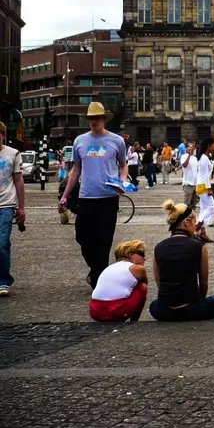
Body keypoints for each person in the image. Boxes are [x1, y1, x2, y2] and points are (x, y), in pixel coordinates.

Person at [59, 102, 128, 289]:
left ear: (104, 119)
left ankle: (99, 283)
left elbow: (123, 166)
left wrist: (122, 183)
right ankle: (97, 269)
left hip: (108, 198)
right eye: (91, 118)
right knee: (82, 237)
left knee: (104, 242)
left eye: (97, 118)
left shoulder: (117, 141)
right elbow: (76, 170)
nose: (94, 121)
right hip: (86, 197)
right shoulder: (80, 141)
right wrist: (65, 195)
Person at [149, 200, 214, 321]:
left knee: (153, 305)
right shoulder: (199, 246)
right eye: (194, 221)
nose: (195, 224)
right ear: (186, 222)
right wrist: (201, 300)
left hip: (164, 310)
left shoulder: (158, 247)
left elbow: (159, 282)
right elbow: (204, 282)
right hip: (190, 308)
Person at [89, 240, 148, 322]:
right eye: (142, 254)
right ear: (130, 254)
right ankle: (134, 321)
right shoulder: (138, 268)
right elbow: (145, 282)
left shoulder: (110, 267)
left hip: (95, 311)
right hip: (115, 312)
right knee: (142, 287)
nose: (144, 258)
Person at [0, 121, 26, 297]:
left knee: (2, 243)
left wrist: (21, 207)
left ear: (2, 135)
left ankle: (3, 280)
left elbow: (18, 180)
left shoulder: (13, 154)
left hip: (6, 204)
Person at [179, 140, 198, 206]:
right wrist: (189, 156)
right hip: (188, 184)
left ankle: (192, 213)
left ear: (195, 148)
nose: (191, 148)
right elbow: (184, 165)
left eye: (193, 146)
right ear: (187, 148)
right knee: (186, 204)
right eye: (190, 146)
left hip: (196, 184)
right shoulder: (184, 156)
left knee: (193, 204)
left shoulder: (195, 158)